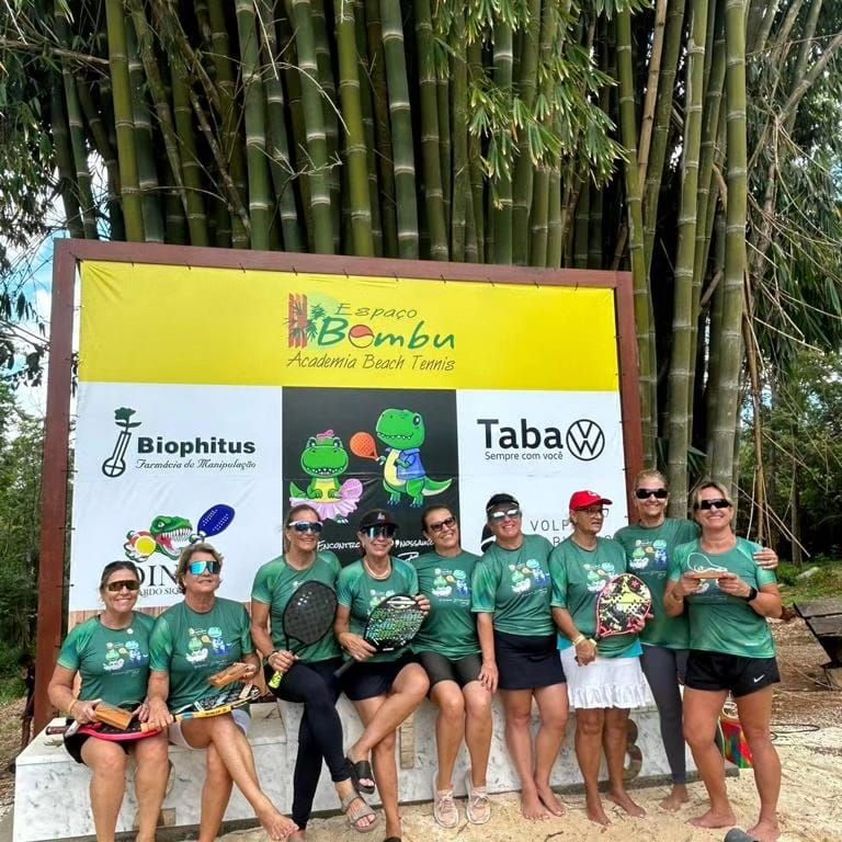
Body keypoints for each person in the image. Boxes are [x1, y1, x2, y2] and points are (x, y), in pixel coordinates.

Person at [615, 469, 779, 810]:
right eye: (644, 494)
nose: (652, 500)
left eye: (658, 493)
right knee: (676, 717)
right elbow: (622, 587)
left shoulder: (690, 530)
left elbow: (771, 600)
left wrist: (765, 562)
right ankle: (685, 787)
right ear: (635, 497)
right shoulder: (626, 538)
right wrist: (635, 611)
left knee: (721, 727)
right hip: (658, 638)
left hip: (702, 640)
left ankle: (728, 791)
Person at [145, 542, 297, 842]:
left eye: (213, 567)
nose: (207, 573)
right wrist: (157, 701)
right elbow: (159, 679)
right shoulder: (168, 623)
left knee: (220, 757)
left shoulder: (235, 613)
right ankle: (264, 808)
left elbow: (251, 661)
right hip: (187, 715)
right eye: (198, 568)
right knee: (219, 722)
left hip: (233, 706)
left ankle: (207, 840)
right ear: (183, 577)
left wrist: (249, 672)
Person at [666, 480, 782, 842]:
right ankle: (721, 808)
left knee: (757, 736)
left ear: (731, 510)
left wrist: (746, 592)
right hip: (705, 654)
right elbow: (671, 609)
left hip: (751, 654)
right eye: (705, 505)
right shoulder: (684, 554)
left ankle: (768, 821)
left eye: (720, 503)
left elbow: (775, 608)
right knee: (697, 734)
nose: (713, 509)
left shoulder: (755, 553)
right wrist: (680, 591)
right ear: (696, 514)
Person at [251, 504, 376, 838]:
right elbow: (258, 628)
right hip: (286, 667)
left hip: (330, 663)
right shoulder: (270, 573)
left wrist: (351, 636)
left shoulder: (331, 564)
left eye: (315, 528)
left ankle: (299, 826)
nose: (309, 533)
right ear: (288, 532)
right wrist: (271, 653)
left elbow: (344, 608)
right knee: (317, 692)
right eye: (301, 527)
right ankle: (345, 787)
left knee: (311, 737)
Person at [47, 561, 169, 842]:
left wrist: (153, 699)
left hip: (139, 718)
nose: (124, 591)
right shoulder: (83, 634)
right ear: (103, 592)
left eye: (131, 585)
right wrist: (77, 707)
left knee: (156, 751)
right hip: (93, 720)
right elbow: (56, 687)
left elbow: (162, 675)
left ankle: (147, 836)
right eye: (115, 586)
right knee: (111, 759)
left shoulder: (152, 628)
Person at [550, 490, 650, 826]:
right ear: (573, 515)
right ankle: (593, 795)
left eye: (600, 510)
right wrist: (578, 639)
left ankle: (618, 788)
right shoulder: (561, 554)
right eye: (588, 510)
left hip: (623, 647)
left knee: (619, 722)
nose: (596, 515)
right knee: (590, 724)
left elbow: (626, 595)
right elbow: (557, 605)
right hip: (582, 649)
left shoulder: (614, 549)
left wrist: (637, 616)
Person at [471, 493, 568, 821]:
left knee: (556, 716)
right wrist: (490, 660)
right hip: (510, 646)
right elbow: (484, 616)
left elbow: (563, 591)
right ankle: (528, 787)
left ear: (521, 515)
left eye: (512, 512)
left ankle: (543, 781)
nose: (507, 519)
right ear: (490, 524)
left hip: (547, 645)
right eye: (499, 516)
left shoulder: (542, 546)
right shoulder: (487, 564)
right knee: (520, 718)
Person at [336, 509, 430, 842]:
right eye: (373, 531)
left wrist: (421, 610)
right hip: (361, 665)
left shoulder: (406, 571)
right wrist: (348, 639)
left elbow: (410, 617)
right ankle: (394, 824)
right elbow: (340, 626)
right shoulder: (349, 576)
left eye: (387, 531)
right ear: (360, 538)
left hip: (398, 657)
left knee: (420, 681)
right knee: (386, 740)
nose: (381, 537)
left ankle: (358, 750)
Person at [413, 505, 493, 827]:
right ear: (426, 535)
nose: (446, 528)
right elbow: (401, 609)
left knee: (480, 700)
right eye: (436, 527)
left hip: (468, 650)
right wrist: (417, 607)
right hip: (432, 649)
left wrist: (490, 661)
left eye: (450, 522)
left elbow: (486, 615)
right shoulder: (416, 567)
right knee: (452, 702)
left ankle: (479, 785)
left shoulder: (478, 564)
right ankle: (443, 787)